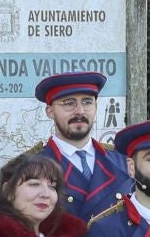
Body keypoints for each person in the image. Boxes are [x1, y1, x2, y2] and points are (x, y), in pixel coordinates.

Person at [27, 72, 131, 219]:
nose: (80, 111)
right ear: (50, 111)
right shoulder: (27, 167)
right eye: (69, 103)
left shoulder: (123, 160)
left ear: (95, 107)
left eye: (87, 102)